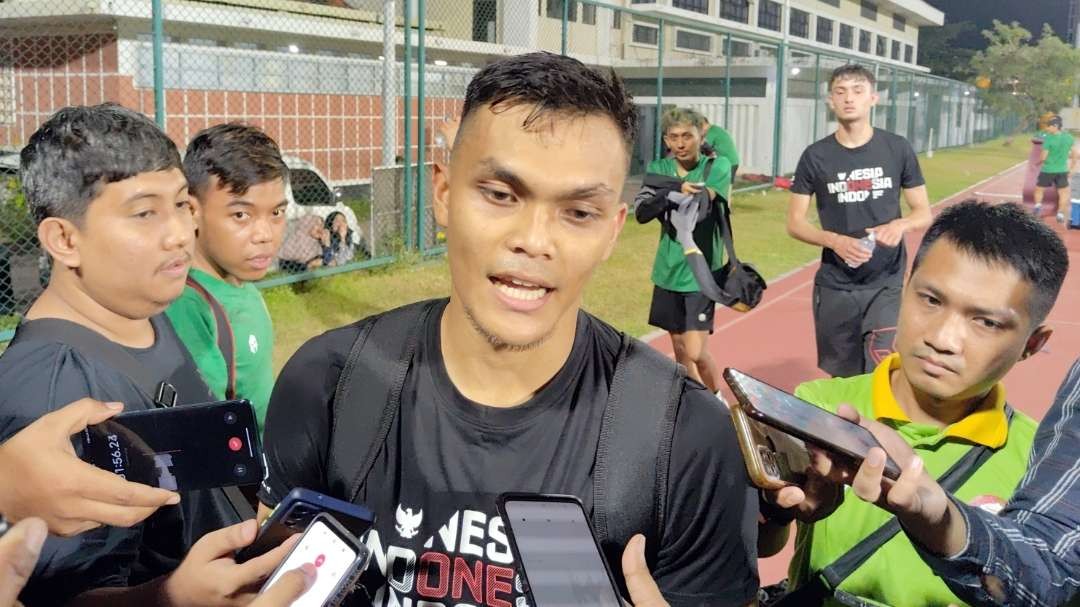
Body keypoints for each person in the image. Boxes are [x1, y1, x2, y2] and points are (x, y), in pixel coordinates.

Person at [258, 52, 758, 606]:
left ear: (613, 231)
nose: (534, 240)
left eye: (578, 213)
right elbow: (273, 579)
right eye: (500, 195)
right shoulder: (327, 386)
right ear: (443, 193)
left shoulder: (686, 438)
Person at [0, 104, 291, 605]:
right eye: (144, 213)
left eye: (181, 204)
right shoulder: (51, 392)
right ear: (65, 239)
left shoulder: (145, 310)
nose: (180, 232)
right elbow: (50, 595)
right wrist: (170, 597)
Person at [763, 201, 1068, 606]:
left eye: (987, 322)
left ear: (1033, 344)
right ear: (905, 288)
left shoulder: (1042, 467)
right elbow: (762, 545)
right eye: (930, 300)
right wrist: (779, 508)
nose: (942, 338)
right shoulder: (818, 407)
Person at [787, 64, 932, 378]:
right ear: (830, 101)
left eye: (857, 91)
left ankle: (879, 428)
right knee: (845, 380)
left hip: (887, 282)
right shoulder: (816, 156)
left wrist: (900, 225)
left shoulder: (897, 148)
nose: (848, 98)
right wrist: (835, 241)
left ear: (873, 98)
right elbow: (795, 223)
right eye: (840, 92)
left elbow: (923, 212)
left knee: (883, 369)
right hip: (836, 286)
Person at [166, 123, 289, 432]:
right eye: (241, 215)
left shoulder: (242, 286)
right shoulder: (187, 306)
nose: (265, 235)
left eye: (276, 213)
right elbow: (206, 429)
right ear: (192, 210)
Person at [635, 108, 732, 392]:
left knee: (696, 352)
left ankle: (718, 404)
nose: (680, 143)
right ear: (666, 139)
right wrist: (674, 189)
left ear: (701, 136)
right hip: (667, 271)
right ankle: (696, 406)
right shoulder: (658, 170)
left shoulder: (717, 166)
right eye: (673, 137)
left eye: (687, 136)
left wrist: (689, 191)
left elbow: (704, 205)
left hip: (700, 274)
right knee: (679, 353)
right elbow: (642, 213)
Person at [1033, 114, 1076, 224]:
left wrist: (1037, 163)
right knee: (1063, 193)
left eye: (1049, 126)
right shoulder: (1069, 137)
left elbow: (1043, 157)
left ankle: (1038, 206)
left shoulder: (1049, 139)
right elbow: (1075, 154)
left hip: (1048, 170)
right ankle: (1060, 213)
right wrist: (1071, 168)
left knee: (1039, 189)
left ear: (1056, 126)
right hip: (1062, 170)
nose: (1047, 128)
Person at [700, 114, 740, 187]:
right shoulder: (716, 129)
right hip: (733, 161)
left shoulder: (711, 132)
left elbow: (703, 145)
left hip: (728, 162)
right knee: (726, 186)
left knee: (719, 186)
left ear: (704, 124)